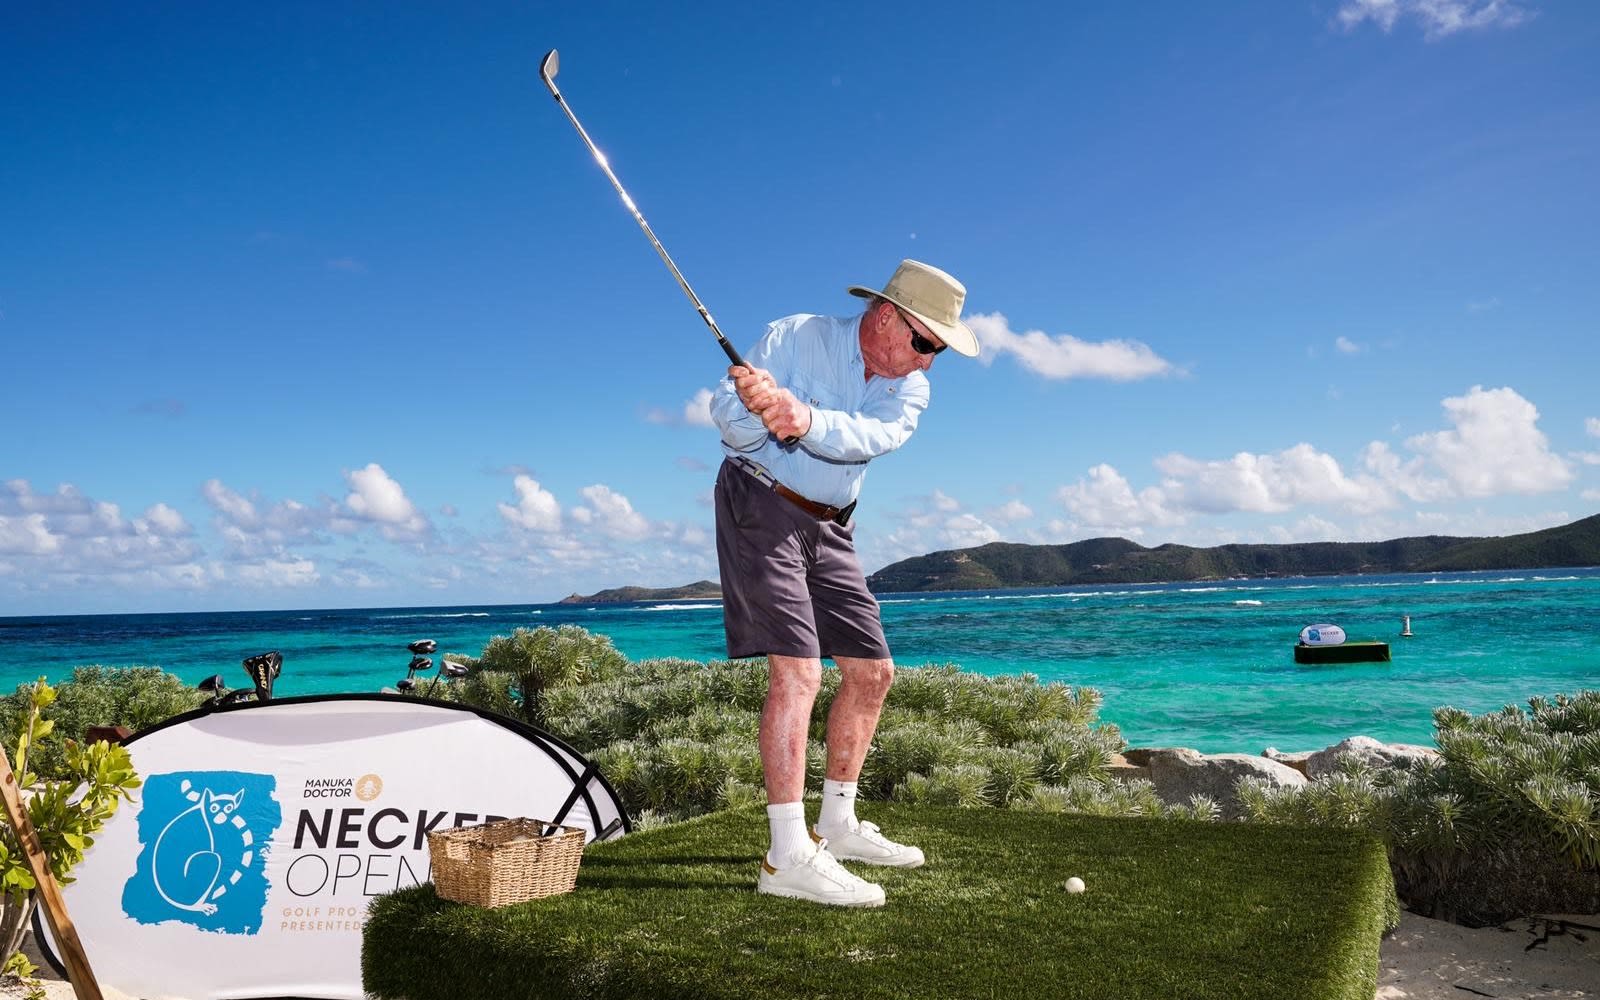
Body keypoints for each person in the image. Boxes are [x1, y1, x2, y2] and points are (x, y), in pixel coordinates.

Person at [709, 259, 980, 907]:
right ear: (885, 316)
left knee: (871, 672)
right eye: (925, 342)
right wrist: (756, 409)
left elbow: (869, 440)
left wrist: (799, 416)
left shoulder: (909, 387)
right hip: (760, 500)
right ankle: (786, 856)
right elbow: (726, 418)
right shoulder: (796, 335)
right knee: (799, 673)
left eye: (938, 350)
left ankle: (836, 823)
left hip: (832, 524)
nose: (929, 361)